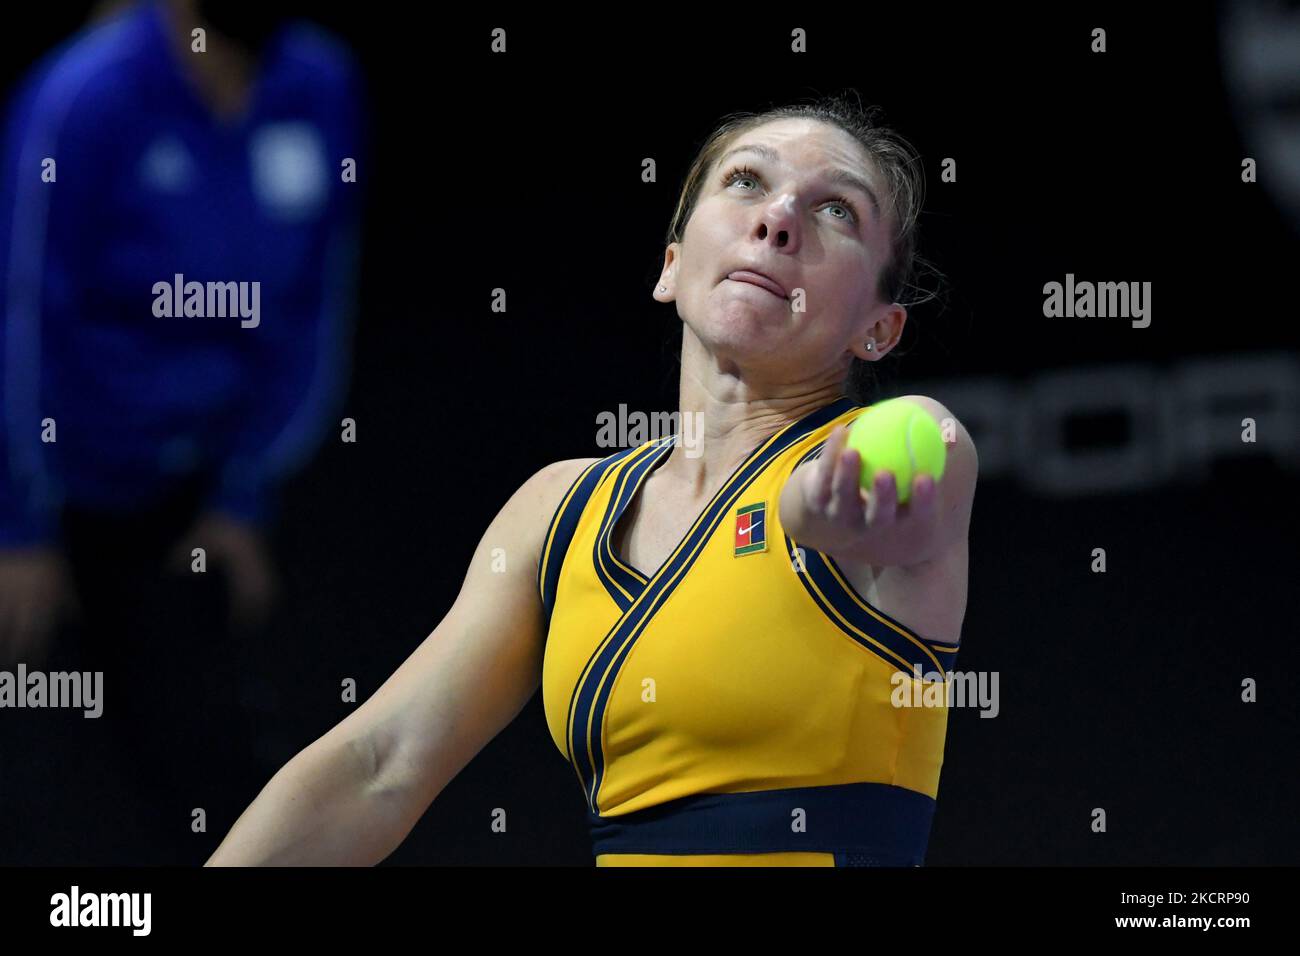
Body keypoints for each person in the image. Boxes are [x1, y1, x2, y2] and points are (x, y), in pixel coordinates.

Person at [207, 96, 978, 867]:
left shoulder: (911, 439)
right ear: (671, 267)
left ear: (879, 328)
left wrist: (824, 507)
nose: (778, 219)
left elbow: (904, 487)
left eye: (837, 210)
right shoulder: (560, 510)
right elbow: (379, 766)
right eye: (747, 181)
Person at [0, 0, 365, 863]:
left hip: (212, 489)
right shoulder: (82, 95)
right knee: (54, 779)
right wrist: (19, 525)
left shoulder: (321, 83)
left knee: (215, 772)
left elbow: (316, 303)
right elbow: (23, 307)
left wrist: (244, 494)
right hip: (59, 490)